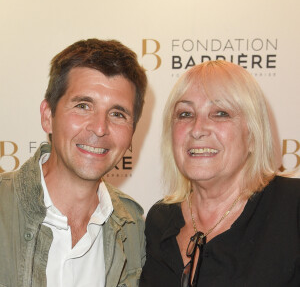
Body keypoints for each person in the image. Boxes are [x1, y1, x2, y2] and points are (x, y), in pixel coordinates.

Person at [0, 38, 147, 287]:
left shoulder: (132, 226)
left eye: (117, 114)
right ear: (48, 116)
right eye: (83, 106)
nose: (100, 128)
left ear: (132, 132)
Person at [140, 60, 300, 287]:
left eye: (220, 113)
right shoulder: (159, 220)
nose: (197, 129)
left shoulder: (292, 208)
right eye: (185, 114)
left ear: (252, 135)